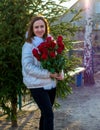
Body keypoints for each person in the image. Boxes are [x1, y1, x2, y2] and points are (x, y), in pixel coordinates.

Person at [21, 15, 64, 130]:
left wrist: (60, 73)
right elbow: (28, 66)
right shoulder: (28, 45)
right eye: (36, 27)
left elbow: (57, 60)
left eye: (42, 26)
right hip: (37, 85)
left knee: (45, 114)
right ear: (32, 29)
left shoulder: (51, 42)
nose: (39, 29)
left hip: (51, 84)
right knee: (49, 115)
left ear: (46, 27)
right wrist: (48, 74)